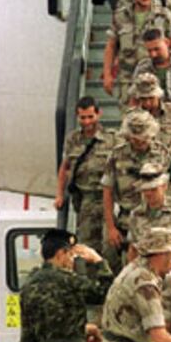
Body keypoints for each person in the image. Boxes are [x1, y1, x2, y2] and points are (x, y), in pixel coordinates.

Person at [101, 109, 171, 272]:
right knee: (119, 261)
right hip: (129, 220)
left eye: (144, 139)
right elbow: (107, 191)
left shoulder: (164, 153)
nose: (140, 143)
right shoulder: (117, 156)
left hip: (160, 219)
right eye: (135, 140)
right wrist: (111, 227)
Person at [103, 0, 171, 109]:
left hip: (154, 76)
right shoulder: (121, 15)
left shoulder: (163, 15)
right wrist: (107, 74)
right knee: (131, 119)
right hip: (128, 77)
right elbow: (111, 46)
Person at [54, 96, 116, 255]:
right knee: (87, 247)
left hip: (108, 198)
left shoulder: (112, 138)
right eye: (82, 117)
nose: (87, 121)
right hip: (86, 199)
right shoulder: (73, 139)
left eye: (90, 116)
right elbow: (64, 168)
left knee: (110, 245)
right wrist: (59, 195)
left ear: (99, 114)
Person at [129, 72, 171, 192]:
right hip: (143, 176)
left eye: (151, 98)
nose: (147, 103)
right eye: (143, 99)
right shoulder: (133, 117)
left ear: (158, 95)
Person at [127, 162, 171, 259]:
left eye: (153, 189)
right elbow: (133, 248)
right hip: (147, 267)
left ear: (164, 186)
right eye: (145, 190)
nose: (148, 194)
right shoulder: (136, 214)